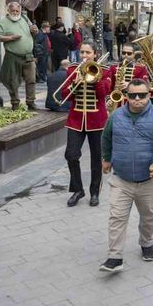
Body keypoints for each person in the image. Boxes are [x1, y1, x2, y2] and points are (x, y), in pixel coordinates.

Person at [99, 78, 153, 271]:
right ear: (126, 96)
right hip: (121, 179)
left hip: (148, 181)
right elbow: (106, 137)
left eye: (142, 95)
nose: (137, 99)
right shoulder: (116, 116)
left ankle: (146, 243)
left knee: (148, 216)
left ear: (149, 95)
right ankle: (114, 257)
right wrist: (106, 158)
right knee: (116, 217)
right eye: (132, 95)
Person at [63, 41, 113, 207]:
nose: (84, 56)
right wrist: (74, 83)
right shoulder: (72, 69)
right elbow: (64, 96)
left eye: (87, 53)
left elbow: (104, 93)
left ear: (95, 54)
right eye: (82, 52)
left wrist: (96, 79)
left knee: (96, 158)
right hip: (76, 120)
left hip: (97, 120)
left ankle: (94, 192)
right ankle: (78, 190)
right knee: (71, 154)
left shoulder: (105, 71)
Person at [0, 2, 38, 111]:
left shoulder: (25, 19)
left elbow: (32, 32)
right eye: (12, 11)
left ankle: (31, 102)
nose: (15, 13)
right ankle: (15, 103)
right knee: (13, 81)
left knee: (31, 80)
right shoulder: (2, 22)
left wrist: (35, 31)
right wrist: (11, 38)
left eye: (17, 11)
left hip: (28, 56)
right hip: (13, 56)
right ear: (8, 11)